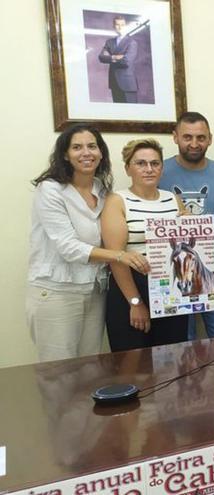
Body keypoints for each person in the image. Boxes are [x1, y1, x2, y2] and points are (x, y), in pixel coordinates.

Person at [27, 124, 148, 362]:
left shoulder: (102, 190)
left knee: (89, 366)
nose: (86, 152)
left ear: (101, 152)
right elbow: (68, 247)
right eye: (77, 147)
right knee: (59, 371)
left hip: (95, 290)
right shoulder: (50, 190)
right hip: (56, 291)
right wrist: (120, 255)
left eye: (92, 146)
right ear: (65, 154)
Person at [160, 112, 214, 338]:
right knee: (181, 343)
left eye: (201, 137)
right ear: (175, 137)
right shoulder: (158, 172)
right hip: (173, 273)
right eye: (187, 137)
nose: (194, 144)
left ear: (210, 139)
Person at [101, 139, 189, 351]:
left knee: (173, 360)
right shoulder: (117, 200)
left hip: (171, 287)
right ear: (128, 168)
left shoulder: (173, 199)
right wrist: (135, 302)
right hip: (132, 286)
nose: (149, 169)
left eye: (155, 163)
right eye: (141, 163)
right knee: (133, 365)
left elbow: (186, 247)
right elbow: (116, 257)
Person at [97, 16, 139, 103]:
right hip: (114, 82)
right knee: (119, 113)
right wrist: (115, 57)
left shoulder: (132, 42)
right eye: (117, 24)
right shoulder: (109, 42)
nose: (120, 27)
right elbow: (101, 57)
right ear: (113, 26)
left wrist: (110, 58)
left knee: (131, 113)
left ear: (126, 26)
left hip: (128, 84)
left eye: (122, 25)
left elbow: (126, 62)